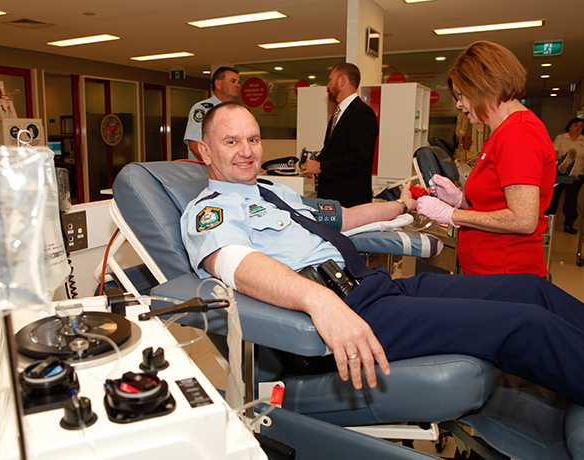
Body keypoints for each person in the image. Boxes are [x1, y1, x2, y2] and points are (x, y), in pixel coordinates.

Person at [181, 101, 584, 406]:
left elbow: (346, 218)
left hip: (375, 288)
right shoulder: (209, 209)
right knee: (525, 325)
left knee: (531, 290)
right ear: (205, 151)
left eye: (252, 139)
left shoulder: (272, 191)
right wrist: (320, 301)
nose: (246, 151)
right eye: (231, 142)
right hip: (344, 312)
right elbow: (236, 264)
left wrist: (404, 205)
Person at [417, 41, 556, 277]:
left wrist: (452, 215)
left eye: (461, 95)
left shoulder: (518, 132)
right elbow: (498, 205)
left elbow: (523, 219)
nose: (459, 105)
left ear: (483, 86)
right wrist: (461, 201)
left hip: (505, 274)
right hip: (486, 270)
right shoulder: (502, 131)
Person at [300, 63, 378, 207]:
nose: (327, 86)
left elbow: (359, 157)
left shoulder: (362, 113)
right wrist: (314, 166)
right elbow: (335, 152)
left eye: (330, 80)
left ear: (342, 81)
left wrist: (321, 167)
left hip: (349, 202)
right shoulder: (338, 114)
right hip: (333, 200)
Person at [183, 66, 241, 160]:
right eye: (233, 81)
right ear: (218, 84)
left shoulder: (238, 111)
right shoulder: (202, 109)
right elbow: (194, 145)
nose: (238, 85)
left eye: (238, 82)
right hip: (203, 170)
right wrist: (214, 165)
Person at [545, 117, 584, 234]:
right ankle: (547, 221)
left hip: (578, 174)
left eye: (581, 126)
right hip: (559, 174)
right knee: (554, 198)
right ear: (570, 126)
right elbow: (554, 152)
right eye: (576, 125)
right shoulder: (561, 138)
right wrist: (561, 160)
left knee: (571, 200)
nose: (578, 128)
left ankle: (568, 224)